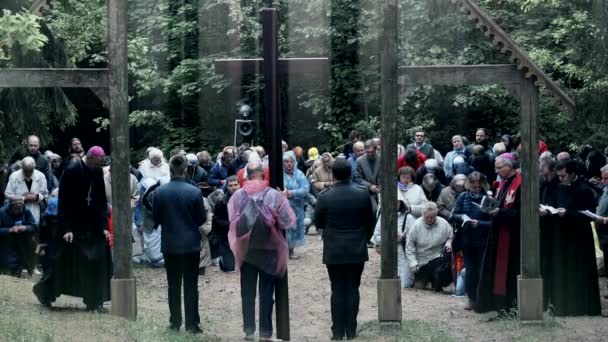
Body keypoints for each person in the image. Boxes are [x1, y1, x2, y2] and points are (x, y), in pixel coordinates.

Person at [33, 146, 112, 311]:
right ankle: (45, 293)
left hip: (92, 227)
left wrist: (104, 226)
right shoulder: (72, 171)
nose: (97, 167)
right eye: (96, 164)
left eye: (100, 165)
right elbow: (64, 202)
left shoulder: (97, 172)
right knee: (62, 263)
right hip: (72, 226)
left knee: (96, 262)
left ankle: (94, 301)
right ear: (89, 157)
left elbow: (100, 201)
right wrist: (66, 228)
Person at [228, 161, 296, 341]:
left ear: (246, 175)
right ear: (264, 174)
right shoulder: (274, 195)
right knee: (267, 292)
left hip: (247, 250)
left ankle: (248, 330)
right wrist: (284, 201)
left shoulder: (237, 196)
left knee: (247, 292)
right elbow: (287, 222)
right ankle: (265, 333)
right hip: (269, 250)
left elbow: (233, 222)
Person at [314, 158, 375, 340]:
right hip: (356, 247)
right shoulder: (363, 194)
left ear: (333, 174)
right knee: (353, 288)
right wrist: (363, 238)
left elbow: (318, 222)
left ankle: (338, 331)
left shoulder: (324, 196)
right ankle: (351, 329)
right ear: (351, 174)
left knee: (337, 289)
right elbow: (370, 222)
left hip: (334, 249)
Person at [152, 154, 206, 333]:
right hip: (190, 244)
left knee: (173, 284)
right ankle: (192, 324)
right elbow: (201, 219)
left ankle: (175, 322)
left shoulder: (160, 192)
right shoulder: (195, 192)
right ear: (185, 170)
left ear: (170, 170)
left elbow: (156, 218)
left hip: (170, 244)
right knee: (191, 285)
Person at [539, 160, 601, 316]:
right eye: (558, 176)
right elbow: (552, 205)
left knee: (577, 271)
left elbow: (589, 215)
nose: (561, 179)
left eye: (564, 176)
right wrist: (548, 211)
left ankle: (579, 306)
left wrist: (568, 213)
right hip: (561, 237)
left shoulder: (584, 190)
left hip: (578, 239)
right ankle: (561, 305)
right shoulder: (558, 187)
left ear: (573, 173)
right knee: (562, 271)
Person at [475, 153, 521, 314]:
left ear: (510, 166)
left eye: (499, 167)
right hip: (497, 231)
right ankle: (494, 303)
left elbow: (521, 213)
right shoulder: (503, 182)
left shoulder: (520, 184)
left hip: (511, 236)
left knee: (507, 272)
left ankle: (508, 304)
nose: (496, 171)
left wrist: (499, 212)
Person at [452, 172, 492, 310]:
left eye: (478, 187)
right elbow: (454, 215)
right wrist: (463, 217)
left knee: (481, 270)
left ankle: (483, 299)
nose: (475, 189)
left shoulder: (487, 198)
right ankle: (472, 299)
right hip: (467, 239)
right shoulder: (463, 197)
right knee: (470, 270)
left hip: (482, 240)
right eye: (473, 186)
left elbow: (492, 222)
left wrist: (479, 223)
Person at [406, 202, 453, 290]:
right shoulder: (416, 225)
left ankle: (437, 279)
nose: (430, 220)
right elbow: (409, 246)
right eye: (427, 217)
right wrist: (413, 263)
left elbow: (451, 237)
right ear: (423, 215)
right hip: (421, 261)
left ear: (436, 215)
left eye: (432, 217)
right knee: (419, 286)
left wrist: (448, 243)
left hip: (437, 257)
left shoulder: (443, 223)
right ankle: (426, 279)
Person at [372, 200, 417, 288]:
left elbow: (415, 239)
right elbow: (376, 237)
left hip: (404, 256)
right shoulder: (383, 216)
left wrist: (403, 238)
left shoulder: (409, 218)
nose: (394, 204)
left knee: (404, 285)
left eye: (397, 202)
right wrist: (389, 239)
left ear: (401, 203)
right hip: (388, 256)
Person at [282, 151, 310, 259]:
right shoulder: (279, 174)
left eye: (291, 162)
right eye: (286, 162)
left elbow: (305, 189)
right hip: (282, 207)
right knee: (283, 228)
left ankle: (291, 251)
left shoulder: (299, 174)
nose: (289, 164)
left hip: (296, 207)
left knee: (294, 228)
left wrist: (291, 193)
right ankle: (282, 251)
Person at [0, 196, 37, 276]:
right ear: (11, 205)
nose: (18, 210)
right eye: (16, 208)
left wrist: (25, 227)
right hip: (6, 243)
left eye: (20, 207)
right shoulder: (1, 212)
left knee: (21, 263)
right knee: (8, 266)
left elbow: (34, 226)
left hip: (22, 242)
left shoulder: (26, 211)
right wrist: (9, 230)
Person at [132, 178, 165, 267]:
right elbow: (137, 206)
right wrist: (139, 222)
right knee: (143, 235)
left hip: (155, 220)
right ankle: (146, 256)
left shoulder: (158, 191)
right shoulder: (139, 189)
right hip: (146, 218)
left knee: (154, 237)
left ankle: (156, 257)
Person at [5, 156, 48, 223]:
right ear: (22, 167)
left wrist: (36, 197)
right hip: (17, 210)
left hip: (35, 209)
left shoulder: (41, 176)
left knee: (33, 229)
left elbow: (45, 194)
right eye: (25, 171)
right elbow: (8, 194)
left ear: (34, 167)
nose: (28, 173)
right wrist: (23, 198)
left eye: (30, 171)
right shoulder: (14, 176)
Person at [209, 177, 239, 272]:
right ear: (227, 187)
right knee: (229, 268)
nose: (233, 187)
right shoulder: (221, 202)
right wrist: (230, 224)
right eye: (231, 185)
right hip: (226, 236)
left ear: (239, 185)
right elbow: (216, 220)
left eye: (235, 185)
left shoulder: (245, 198)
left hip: (242, 234)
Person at [355, 139, 381, 213]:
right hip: (367, 192)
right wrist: (370, 186)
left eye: (371, 152)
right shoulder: (360, 161)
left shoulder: (382, 159)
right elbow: (358, 178)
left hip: (381, 191)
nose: (369, 154)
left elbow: (387, 177)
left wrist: (380, 187)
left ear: (376, 149)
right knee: (373, 210)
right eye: (367, 152)